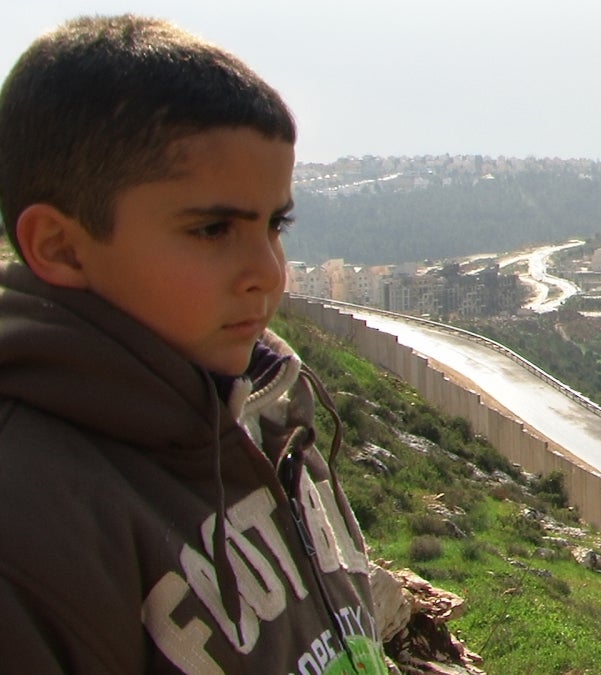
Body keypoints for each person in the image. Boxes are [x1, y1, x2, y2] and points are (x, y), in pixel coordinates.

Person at [0, 15, 391, 673]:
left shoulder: (268, 412)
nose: (269, 272)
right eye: (213, 229)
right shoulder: (33, 525)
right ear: (60, 247)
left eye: (275, 224)